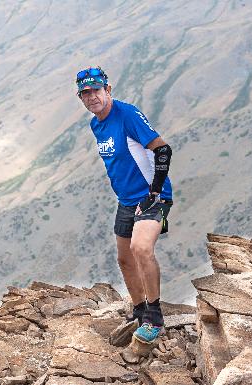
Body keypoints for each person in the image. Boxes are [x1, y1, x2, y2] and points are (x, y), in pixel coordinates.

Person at [75, 66, 174, 343]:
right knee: (124, 258)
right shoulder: (96, 124)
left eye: (96, 90)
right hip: (127, 200)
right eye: (85, 93)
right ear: (81, 98)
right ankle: (139, 310)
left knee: (140, 248)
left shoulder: (127, 114)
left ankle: (154, 318)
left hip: (152, 196)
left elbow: (162, 149)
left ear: (108, 89)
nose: (91, 96)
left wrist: (154, 192)